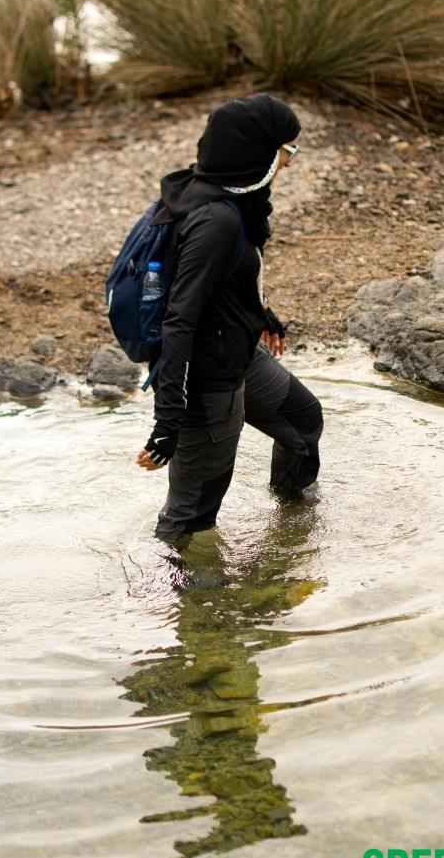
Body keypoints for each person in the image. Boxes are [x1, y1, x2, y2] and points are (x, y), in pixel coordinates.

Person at [135, 92, 324, 542]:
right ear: (255, 149)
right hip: (206, 378)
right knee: (191, 519)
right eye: (287, 150)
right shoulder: (215, 219)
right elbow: (179, 319)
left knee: (302, 420)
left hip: (237, 352)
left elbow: (224, 278)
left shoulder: (223, 191)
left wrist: (262, 313)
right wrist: (168, 423)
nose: (290, 162)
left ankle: (293, 527)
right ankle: (186, 606)